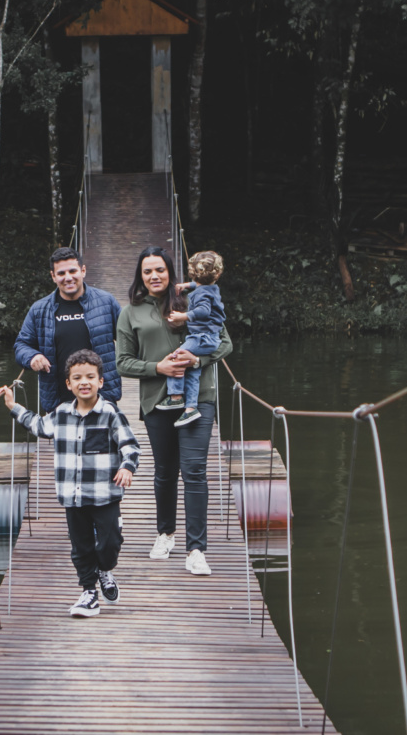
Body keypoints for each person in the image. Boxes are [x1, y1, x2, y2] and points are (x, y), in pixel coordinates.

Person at [116, 246, 231, 576]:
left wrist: (198, 360)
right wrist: (158, 368)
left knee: (194, 470)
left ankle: (196, 549)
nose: (154, 276)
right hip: (157, 403)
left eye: (160, 270)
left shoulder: (193, 300)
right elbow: (123, 362)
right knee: (165, 471)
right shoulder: (131, 313)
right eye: (147, 271)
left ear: (171, 272)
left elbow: (225, 342)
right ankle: (165, 533)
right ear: (140, 275)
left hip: (199, 400)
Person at [0, 349, 140, 617]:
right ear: (69, 384)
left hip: (105, 494)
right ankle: (89, 592)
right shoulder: (61, 413)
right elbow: (39, 426)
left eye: (90, 377)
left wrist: (127, 467)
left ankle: (104, 569)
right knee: (81, 545)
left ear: (100, 382)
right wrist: (12, 406)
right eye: (77, 378)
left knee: (110, 543)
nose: (83, 382)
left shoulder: (110, 413)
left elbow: (130, 446)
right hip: (72, 496)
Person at [14, 247, 122, 413]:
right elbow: (21, 345)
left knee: (102, 440)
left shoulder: (106, 302)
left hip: (103, 399)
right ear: (53, 276)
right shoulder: (39, 310)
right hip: (59, 402)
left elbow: (129, 337)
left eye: (73, 271)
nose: (68, 278)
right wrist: (32, 356)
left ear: (83, 270)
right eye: (61, 273)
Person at [161, 250, 226, 428]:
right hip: (210, 338)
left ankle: (175, 396)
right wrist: (187, 285)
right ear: (217, 274)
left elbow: (203, 311)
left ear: (192, 272)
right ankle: (190, 409)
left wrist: (183, 316)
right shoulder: (211, 288)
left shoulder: (201, 294)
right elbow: (201, 285)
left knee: (177, 356)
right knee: (193, 371)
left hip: (201, 338)